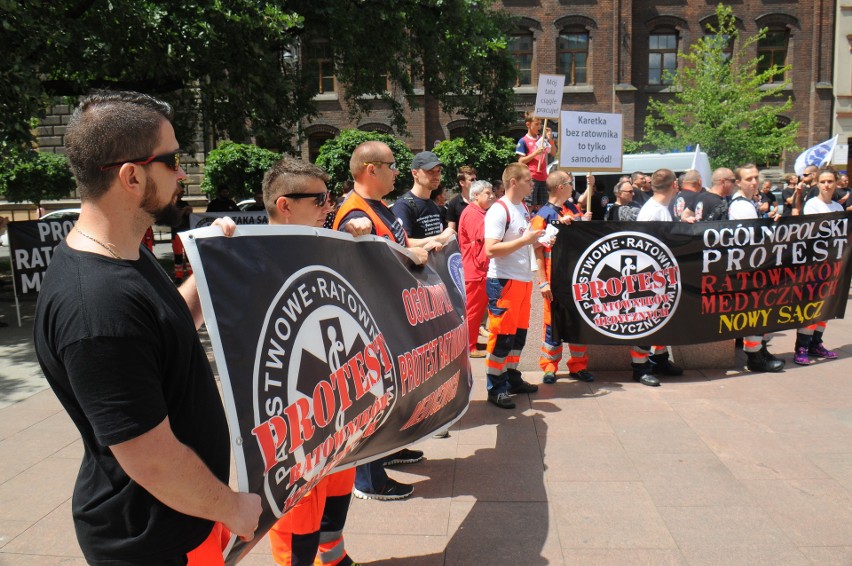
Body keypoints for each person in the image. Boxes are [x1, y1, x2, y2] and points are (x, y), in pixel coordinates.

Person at [32, 91, 261, 565]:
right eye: (172, 160)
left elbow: (163, 327)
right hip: (153, 539)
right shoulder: (97, 307)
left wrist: (209, 268)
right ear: (132, 175)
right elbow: (150, 459)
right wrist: (232, 508)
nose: (182, 175)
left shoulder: (124, 255)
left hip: (180, 517)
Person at [260, 157, 359, 566]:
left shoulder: (327, 244)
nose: (329, 206)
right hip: (295, 421)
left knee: (337, 496)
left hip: (338, 409)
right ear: (285, 205)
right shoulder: (250, 257)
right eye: (320, 199)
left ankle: (334, 558)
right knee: (298, 519)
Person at [332, 140, 427, 500]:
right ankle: (368, 480)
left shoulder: (378, 207)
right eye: (391, 164)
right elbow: (353, 254)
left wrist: (423, 246)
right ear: (371, 169)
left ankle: (389, 449)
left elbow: (393, 247)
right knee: (373, 399)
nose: (396, 170)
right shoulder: (354, 212)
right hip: (370, 324)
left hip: (389, 317)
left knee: (392, 394)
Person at [483, 162, 544, 408]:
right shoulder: (499, 210)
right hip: (504, 281)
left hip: (521, 281)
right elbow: (490, 249)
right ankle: (495, 387)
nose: (532, 182)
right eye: (528, 179)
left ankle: (511, 378)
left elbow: (523, 241)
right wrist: (525, 240)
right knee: (501, 337)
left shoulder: (522, 207)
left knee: (518, 336)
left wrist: (536, 239)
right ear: (513, 182)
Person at [532, 171, 595, 384]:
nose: (572, 187)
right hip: (554, 279)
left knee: (578, 323)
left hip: (576, 279)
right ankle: (549, 367)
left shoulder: (573, 208)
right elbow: (537, 249)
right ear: (561, 187)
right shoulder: (543, 214)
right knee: (553, 324)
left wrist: (582, 222)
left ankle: (578, 366)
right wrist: (543, 282)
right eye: (569, 183)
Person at [630, 169, 686, 386]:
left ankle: (660, 358)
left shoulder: (662, 209)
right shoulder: (652, 212)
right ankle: (640, 367)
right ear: (674, 185)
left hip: (662, 277)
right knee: (646, 321)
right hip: (649, 277)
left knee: (662, 320)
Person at [727, 164, 785, 372]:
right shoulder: (742, 206)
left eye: (755, 178)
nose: (753, 182)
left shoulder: (749, 203)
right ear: (738, 182)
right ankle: (755, 358)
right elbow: (753, 238)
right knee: (755, 312)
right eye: (749, 179)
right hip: (749, 268)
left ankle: (759, 351)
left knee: (759, 311)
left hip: (754, 265)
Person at [793, 168, 842, 365]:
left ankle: (816, 343)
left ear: (836, 183)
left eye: (830, 181)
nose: (826, 185)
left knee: (827, 305)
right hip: (815, 265)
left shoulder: (838, 207)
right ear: (818, 184)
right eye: (823, 182)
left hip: (834, 265)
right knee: (811, 305)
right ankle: (802, 346)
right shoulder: (812, 205)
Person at [458, 180, 496, 358]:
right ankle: (470, 347)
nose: (491, 196)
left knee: (475, 310)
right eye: (487, 193)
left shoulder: (477, 212)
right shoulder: (473, 214)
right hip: (476, 271)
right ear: (476, 195)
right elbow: (479, 242)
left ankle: (471, 343)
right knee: (473, 311)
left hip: (477, 270)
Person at [391, 150, 455, 246]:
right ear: (415, 173)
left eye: (439, 171)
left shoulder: (433, 204)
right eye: (430, 171)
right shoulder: (403, 205)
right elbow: (402, 243)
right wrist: (440, 238)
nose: (436, 176)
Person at [515, 111, 555, 209]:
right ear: (528, 124)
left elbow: (553, 153)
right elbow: (520, 161)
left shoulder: (542, 140)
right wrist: (535, 153)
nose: (539, 127)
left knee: (544, 205)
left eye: (540, 124)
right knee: (530, 204)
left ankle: (542, 223)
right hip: (531, 177)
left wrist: (550, 139)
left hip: (543, 177)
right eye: (536, 124)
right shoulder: (523, 140)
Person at [446, 165, 477, 231]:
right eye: (472, 180)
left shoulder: (480, 199)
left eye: (475, 179)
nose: (475, 182)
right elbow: (451, 230)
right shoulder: (453, 203)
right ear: (462, 183)